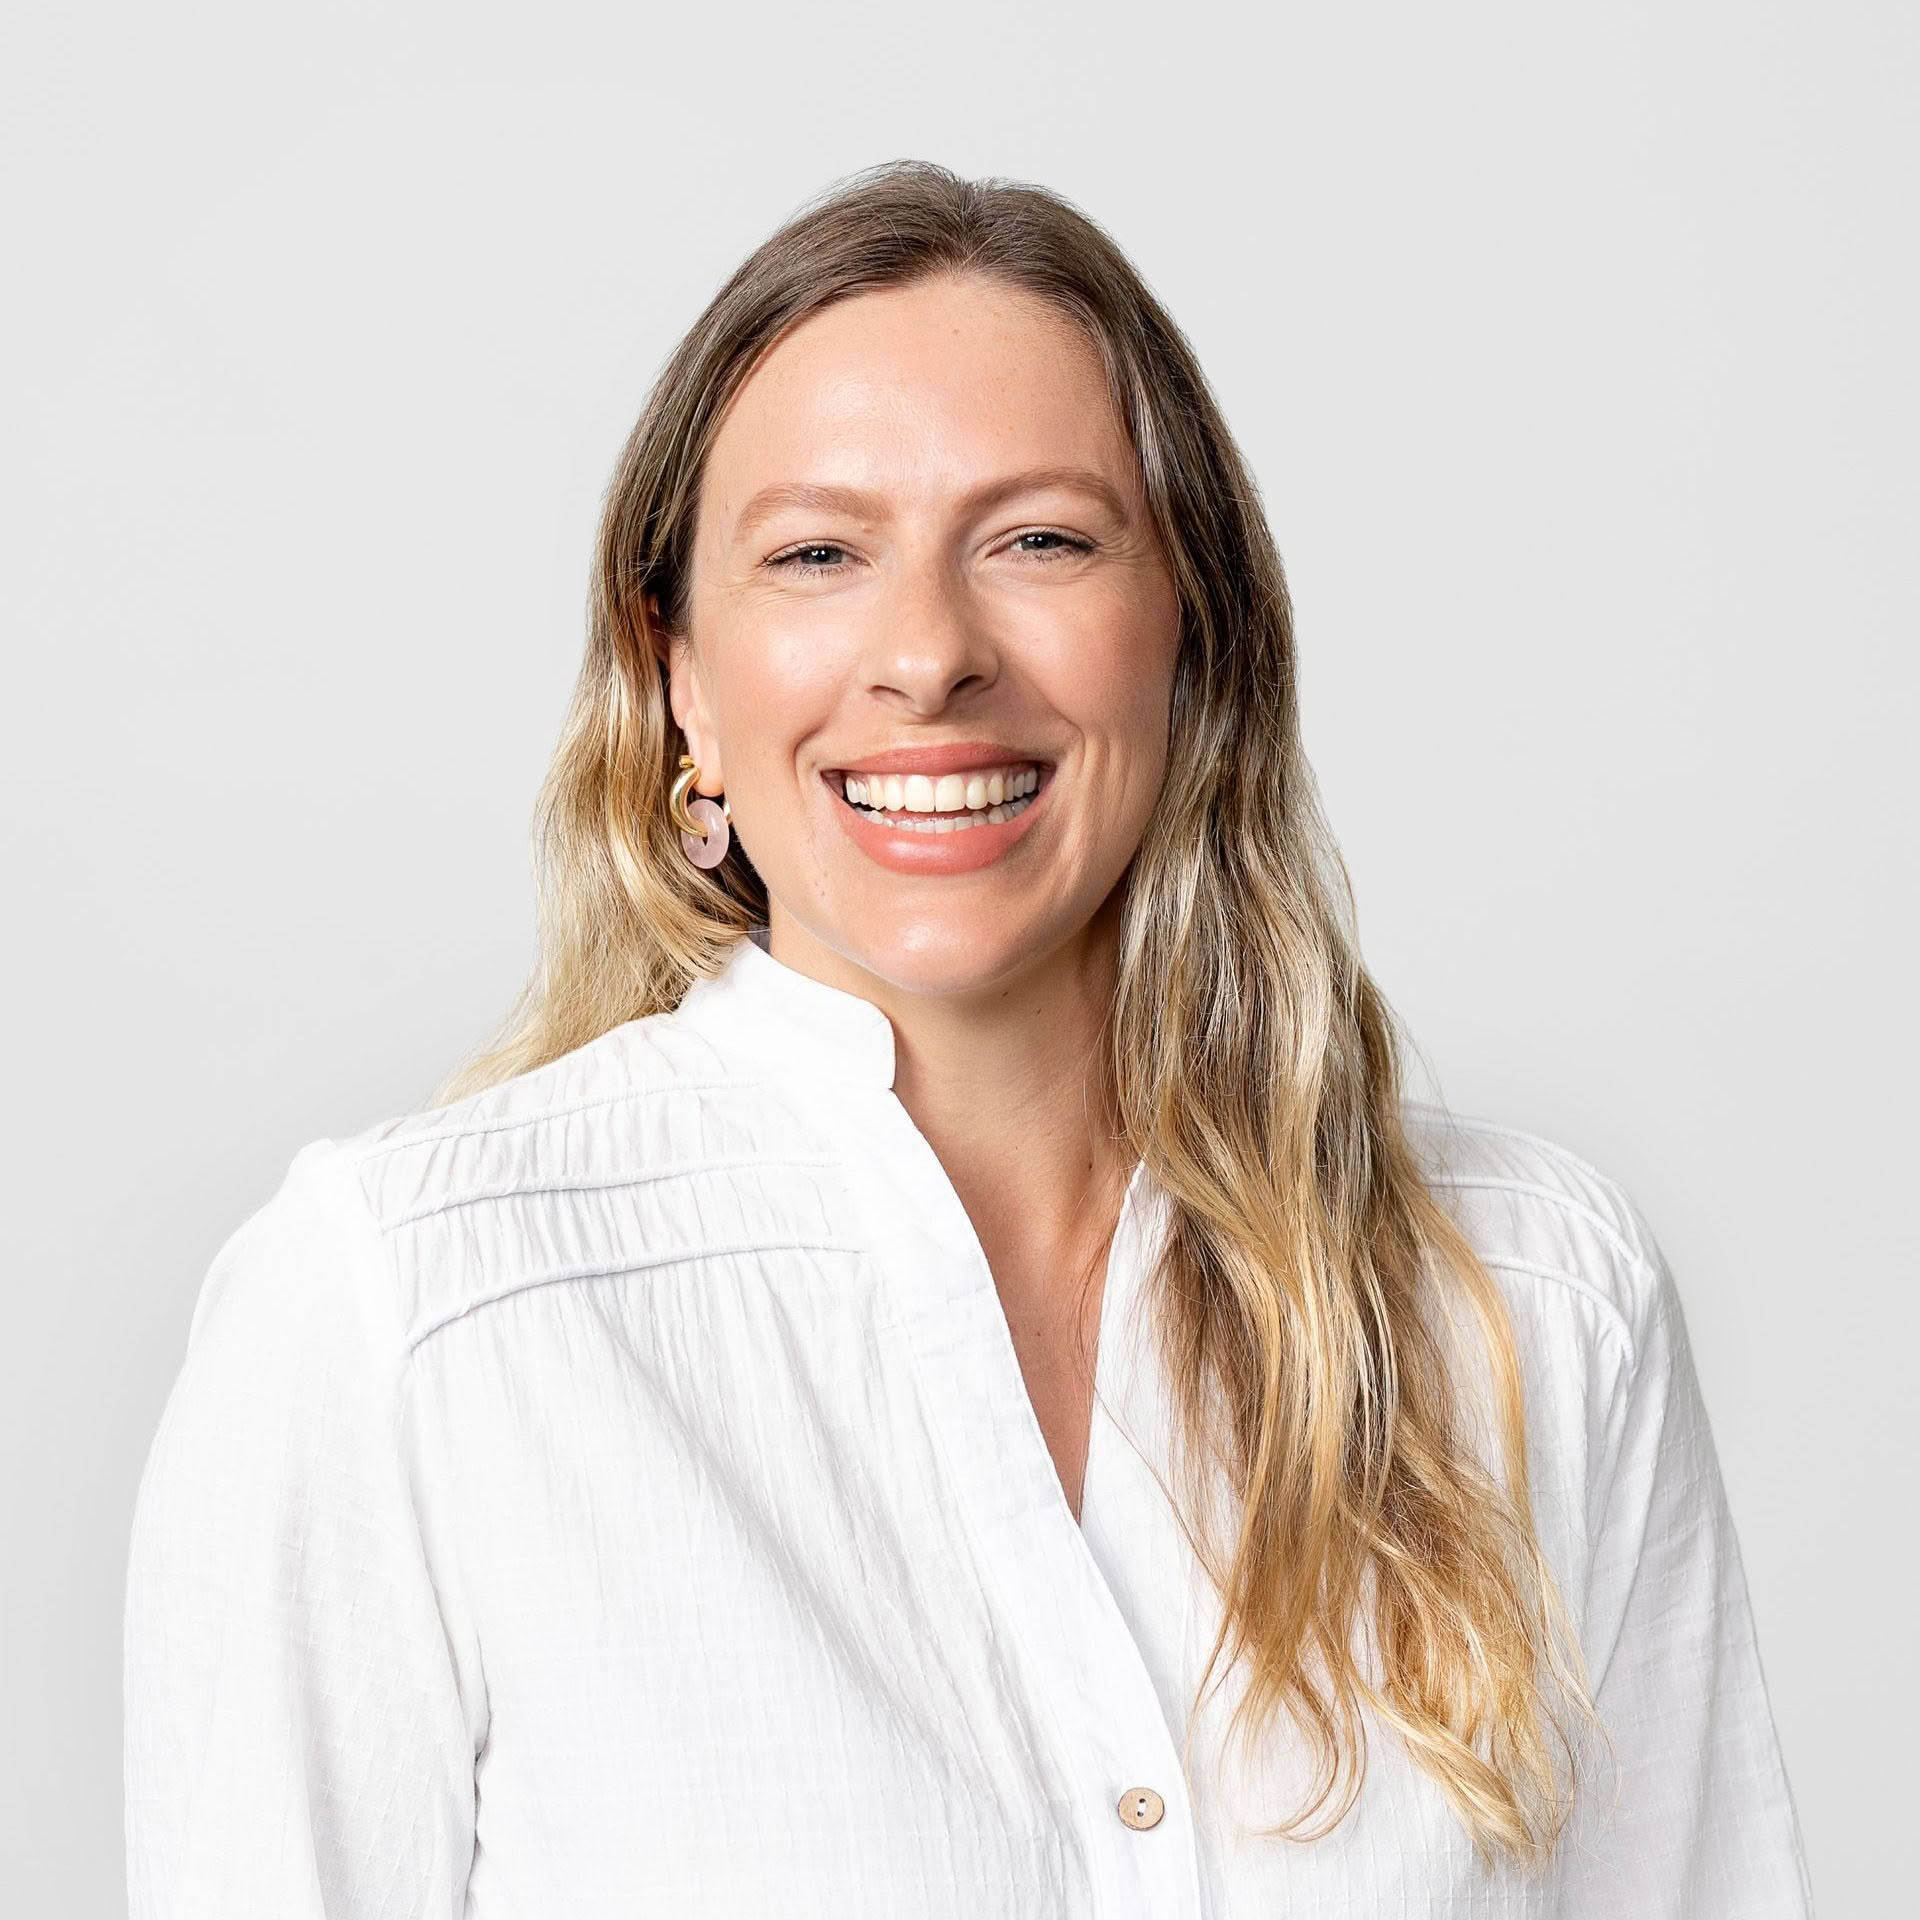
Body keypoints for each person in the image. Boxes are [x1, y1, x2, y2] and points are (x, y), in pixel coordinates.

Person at [122, 161, 1812, 1918]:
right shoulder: (409, 1320)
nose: (928, 656)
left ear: (1194, 639)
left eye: (1042, 541)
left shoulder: (1531, 1294)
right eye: (818, 555)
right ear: (683, 679)